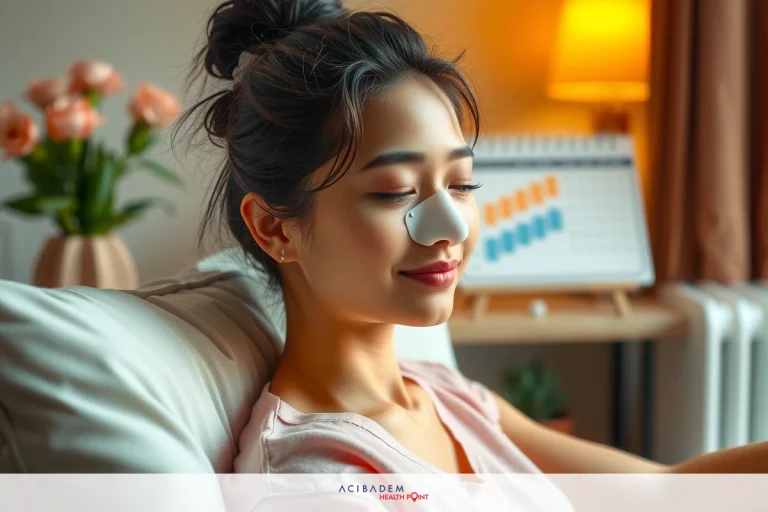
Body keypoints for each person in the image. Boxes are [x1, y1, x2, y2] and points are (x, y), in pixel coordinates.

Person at [178, 0, 768, 476]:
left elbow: (667, 491)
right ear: (274, 227)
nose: (452, 226)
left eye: (461, 184)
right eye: (395, 192)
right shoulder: (319, 476)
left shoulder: (443, 394)